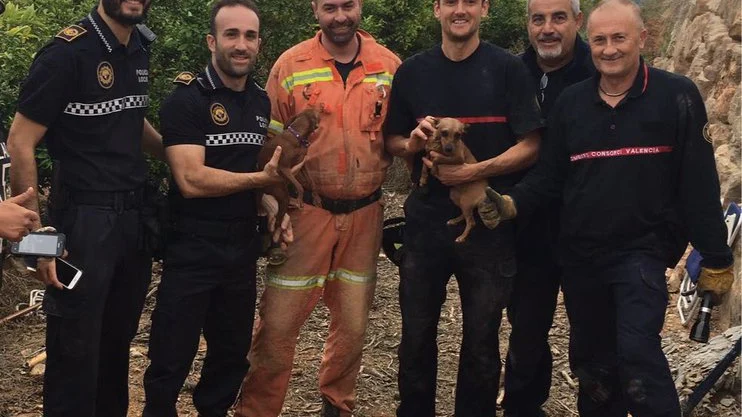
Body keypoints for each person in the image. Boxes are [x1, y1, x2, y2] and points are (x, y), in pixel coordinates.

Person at [479, 1, 734, 416]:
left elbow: (698, 183)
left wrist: (717, 257)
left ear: (642, 39)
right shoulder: (573, 104)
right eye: (600, 40)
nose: (609, 49)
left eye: (619, 38)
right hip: (581, 254)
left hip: (642, 251)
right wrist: (510, 204)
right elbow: (549, 177)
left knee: (636, 352)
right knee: (594, 367)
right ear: (589, 42)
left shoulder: (675, 96)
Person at [233, 1, 400, 416]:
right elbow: (267, 146)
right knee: (277, 326)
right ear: (315, 10)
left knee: (353, 326)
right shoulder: (292, 65)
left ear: (359, 6)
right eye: (330, 7)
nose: (340, 15)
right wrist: (269, 201)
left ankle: (336, 405)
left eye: (347, 5)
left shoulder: (389, 65)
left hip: (365, 215)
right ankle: (257, 409)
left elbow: (402, 136)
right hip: (305, 213)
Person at [383, 0, 544, 415]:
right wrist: (413, 145)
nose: (460, 9)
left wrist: (474, 173)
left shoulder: (509, 69)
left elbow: (531, 145)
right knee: (416, 336)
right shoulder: (412, 72)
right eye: (449, 1)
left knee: (482, 339)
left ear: (484, 9)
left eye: (469, 1)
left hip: (487, 227)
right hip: (424, 226)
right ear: (436, 9)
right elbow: (392, 141)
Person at [6, 0, 162, 415]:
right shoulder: (66, 53)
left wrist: (178, 156)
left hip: (133, 219)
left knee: (116, 343)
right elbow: (20, 141)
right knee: (75, 349)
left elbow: (133, 118)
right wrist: (38, 240)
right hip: (84, 222)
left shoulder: (138, 46)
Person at [141, 1, 292, 416]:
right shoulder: (186, 100)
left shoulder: (261, 103)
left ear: (259, 44)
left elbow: (244, 173)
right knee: (171, 357)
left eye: (249, 36)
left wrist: (267, 202)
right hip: (192, 248)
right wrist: (260, 183)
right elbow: (190, 180)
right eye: (231, 34)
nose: (240, 44)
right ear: (212, 41)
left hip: (241, 250)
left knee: (230, 357)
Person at [502, 0, 593, 416]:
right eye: (538, 19)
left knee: (594, 335)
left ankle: (598, 405)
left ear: (578, 20)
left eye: (559, 17)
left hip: (589, 225)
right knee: (525, 329)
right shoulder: (513, 71)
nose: (548, 28)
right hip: (527, 222)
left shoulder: (602, 70)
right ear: (529, 25)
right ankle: (523, 407)